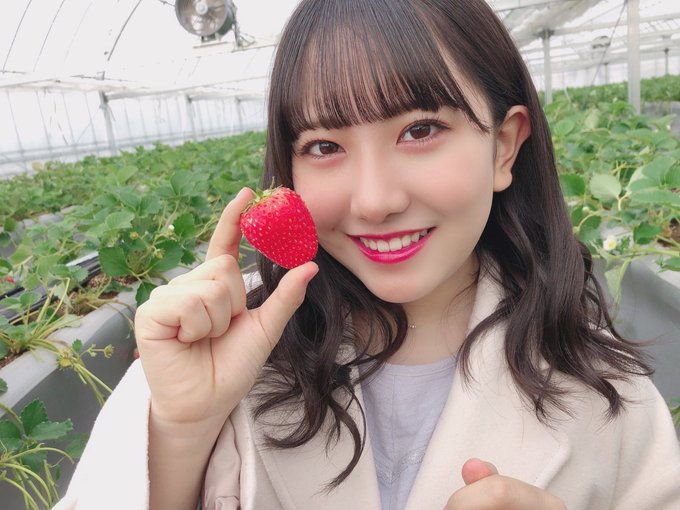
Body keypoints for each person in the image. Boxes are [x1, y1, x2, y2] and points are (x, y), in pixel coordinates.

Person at [55, 0, 680, 509]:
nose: (375, 201)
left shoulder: (612, 397)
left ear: (504, 147)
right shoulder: (211, 349)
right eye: (325, 146)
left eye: (420, 130)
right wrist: (181, 433)